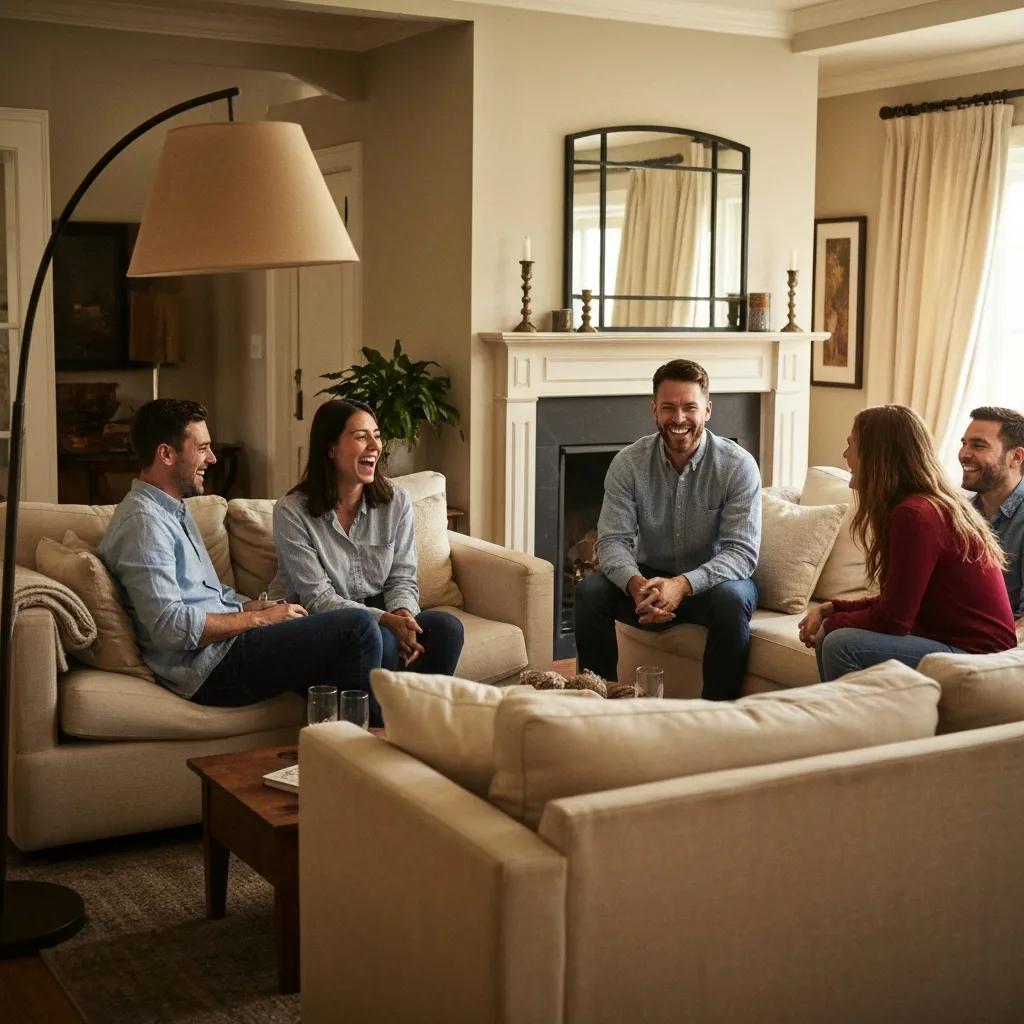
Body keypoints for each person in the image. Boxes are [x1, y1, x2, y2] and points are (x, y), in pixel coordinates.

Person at [99, 399, 382, 712]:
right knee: (356, 627)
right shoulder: (144, 523)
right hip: (209, 668)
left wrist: (251, 606)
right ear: (166, 454)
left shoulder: (172, 510)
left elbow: (207, 595)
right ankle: (363, 736)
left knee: (351, 638)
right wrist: (257, 619)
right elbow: (169, 626)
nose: (212, 457)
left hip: (222, 649)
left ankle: (342, 732)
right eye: (202, 448)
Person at [573, 358, 761, 700]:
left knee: (733, 600)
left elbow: (741, 553)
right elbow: (613, 541)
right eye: (668, 408)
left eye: (690, 407)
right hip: (647, 581)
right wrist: (636, 586)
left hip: (712, 583)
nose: (679, 418)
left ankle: (717, 713)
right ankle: (596, 703)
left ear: (707, 410)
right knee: (590, 593)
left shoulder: (738, 466)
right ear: (654, 410)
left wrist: (682, 585)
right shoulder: (628, 464)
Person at [272, 399, 464, 717]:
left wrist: (404, 617)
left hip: (376, 616)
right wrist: (386, 621)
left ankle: (418, 726)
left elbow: (402, 576)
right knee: (379, 638)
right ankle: (373, 734)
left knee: (446, 629)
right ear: (331, 448)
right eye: (361, 436)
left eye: (376, 435)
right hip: (319, 625)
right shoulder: (292, 512)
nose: (375, 446)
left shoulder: (396, 501)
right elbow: (318, 599)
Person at [799, 405, 1017, 681]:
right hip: (958, 645)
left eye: (850, 444)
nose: (845, 455)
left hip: (981, 659)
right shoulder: (918, 507)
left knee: (840, 643)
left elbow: (894, 620)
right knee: (835, 636)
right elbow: (898, 601)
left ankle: (854, 711)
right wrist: (833, 608)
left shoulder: (916, 514)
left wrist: (833, 622)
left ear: (877, 454)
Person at [959, 406, 1024, 633]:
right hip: (952, 633)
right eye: (964, 443)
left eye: (978, 445)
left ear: (1016, 457)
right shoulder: (960, 513)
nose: (964, 454)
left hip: (999, 644)